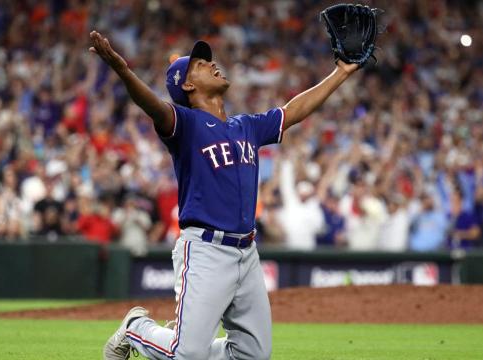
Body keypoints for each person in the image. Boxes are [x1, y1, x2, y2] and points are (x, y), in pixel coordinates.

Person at [89, 29, 359, 360]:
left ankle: (192, 346)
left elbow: (294, 111)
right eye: (201, 64)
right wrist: (122, 70)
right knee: (187, 354)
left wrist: (341, 72)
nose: (212, 64)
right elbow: (153, 106)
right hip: (205, 250)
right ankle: (136, 329)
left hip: (247, 253)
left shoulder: (245, 126)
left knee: (253, 354)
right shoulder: (185, 125)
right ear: (187, 85)